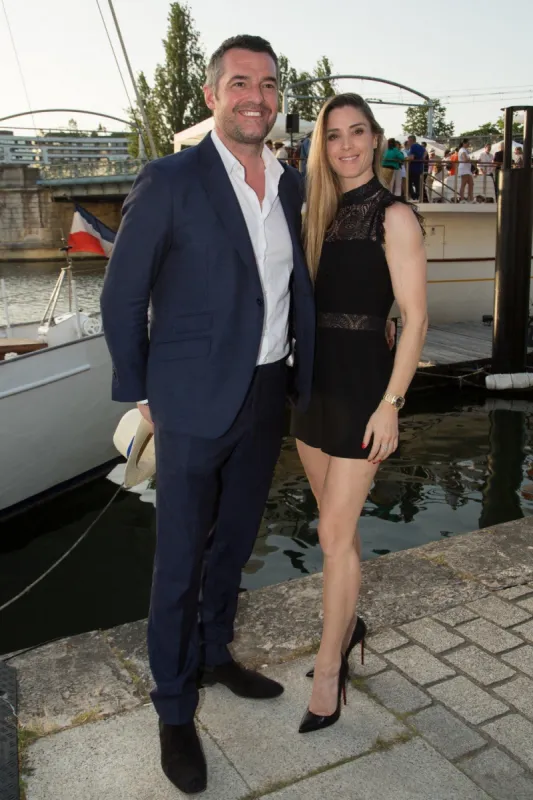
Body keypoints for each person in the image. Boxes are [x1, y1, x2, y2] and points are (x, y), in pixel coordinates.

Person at [101, 34, 315, 794]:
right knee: (179, 559)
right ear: (212, 95)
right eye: (240, 83)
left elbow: (288, 287)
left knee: (234, 542)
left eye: (267, 84)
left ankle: (216, 653)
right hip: (189, 400)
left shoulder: (290, 184)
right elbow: (122, 295)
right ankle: (172, 706)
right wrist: (143, 391)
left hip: (265, 391)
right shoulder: (170, 179)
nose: (256, 97)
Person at [291, 93, 427, 734]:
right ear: (322, 145)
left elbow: (416, 318)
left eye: (357, 132)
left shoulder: (394, 216)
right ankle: (348, 626)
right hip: (311, 384)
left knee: (333, 533)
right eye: (334, 134)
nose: (346, 144)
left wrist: (391, 405)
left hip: (363, 389)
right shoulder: (314, 214)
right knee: (334, 529)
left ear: (376, 139)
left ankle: (329, 670)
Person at [406, 134, 425, 200]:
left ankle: (413, 196)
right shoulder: (421, 147)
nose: (408, 142)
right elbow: (425, 153)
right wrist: (422, 158)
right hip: (419, 167)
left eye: (408, 141)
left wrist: (406, 160)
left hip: (413, 168)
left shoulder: (413, 146)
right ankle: (418, 196)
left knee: (409, 183)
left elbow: (411, 157)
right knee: (417, 183)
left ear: (411, 140)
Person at [458, 138, 474, 202]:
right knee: (463, 184)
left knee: (471, 184)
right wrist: (471, 159)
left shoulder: (465, 150)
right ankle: (462, 199)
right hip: (464, 169)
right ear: (464, 143)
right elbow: (465, 159)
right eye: (468, 143)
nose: (469, 144)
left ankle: (470, 198)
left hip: (467, 169)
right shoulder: (462, 150)